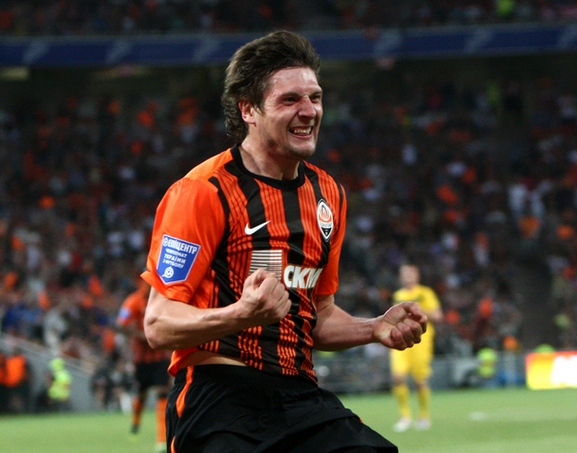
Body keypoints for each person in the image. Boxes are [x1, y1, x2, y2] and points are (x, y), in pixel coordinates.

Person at [141, 30, 428, 453]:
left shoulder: (328, 195)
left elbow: (318, 315)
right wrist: (240, 314)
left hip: (298, 394)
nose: (308, 111)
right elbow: (158, 323)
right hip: (220, 396)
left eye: (315, 97)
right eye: (290, 99)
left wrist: (373, 327)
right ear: (248, 110)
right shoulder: (203, 191)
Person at [117, 278, 171, 453]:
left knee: (163, 392)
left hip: (160, 355)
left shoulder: (165, 297)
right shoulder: (133, 301)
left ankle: (161, 439)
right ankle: (135, 423)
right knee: (142, 394)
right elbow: (121, 324)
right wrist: (141, 334)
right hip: (141, 359)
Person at [389, 264, 443, 432]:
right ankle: (405, 416)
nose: (408, 277)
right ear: (401, 277)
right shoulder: (398, 295)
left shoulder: (425, 293)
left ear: (417, 276)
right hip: (400, 338)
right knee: (397, 376)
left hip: (421, 340)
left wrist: (417, 309)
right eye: (405, 274)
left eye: (411, 274)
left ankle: (423, 416)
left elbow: (437, 316)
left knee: (420, 380)